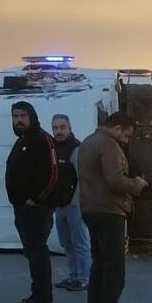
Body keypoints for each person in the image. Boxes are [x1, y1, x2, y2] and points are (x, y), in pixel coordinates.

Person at [78, 112, 147, 303]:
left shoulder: (88, 142)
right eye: (126, 135)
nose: (126, 140)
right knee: (114, 268)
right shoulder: (109, 145)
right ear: (117, 128)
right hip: (109, 211)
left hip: (90, 209)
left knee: (99, 264)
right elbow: (114, 179)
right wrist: (136, 184)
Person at [5, 101, 58, 303]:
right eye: (15, 116)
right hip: (22, 209)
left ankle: (42, 297)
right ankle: (39, 293)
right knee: (32, 252)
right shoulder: (22, 140)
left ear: (32, 117)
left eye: (22, 116)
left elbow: (52, 174)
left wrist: (36, 199)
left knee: (37, 253)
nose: (18, 120)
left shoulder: (42, 139)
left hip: (37, 209)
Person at [50, 114, 89, 292]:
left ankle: (83, 279)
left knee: (80, 244)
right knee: (67, 244)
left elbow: (83, 178)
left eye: (62, 127)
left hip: (74, 206)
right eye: (55, 128)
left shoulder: (76, 148)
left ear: (69, 128)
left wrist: (75, 203)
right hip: (59, 205)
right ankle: (73, 276)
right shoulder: (53, 148)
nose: (59, 131)